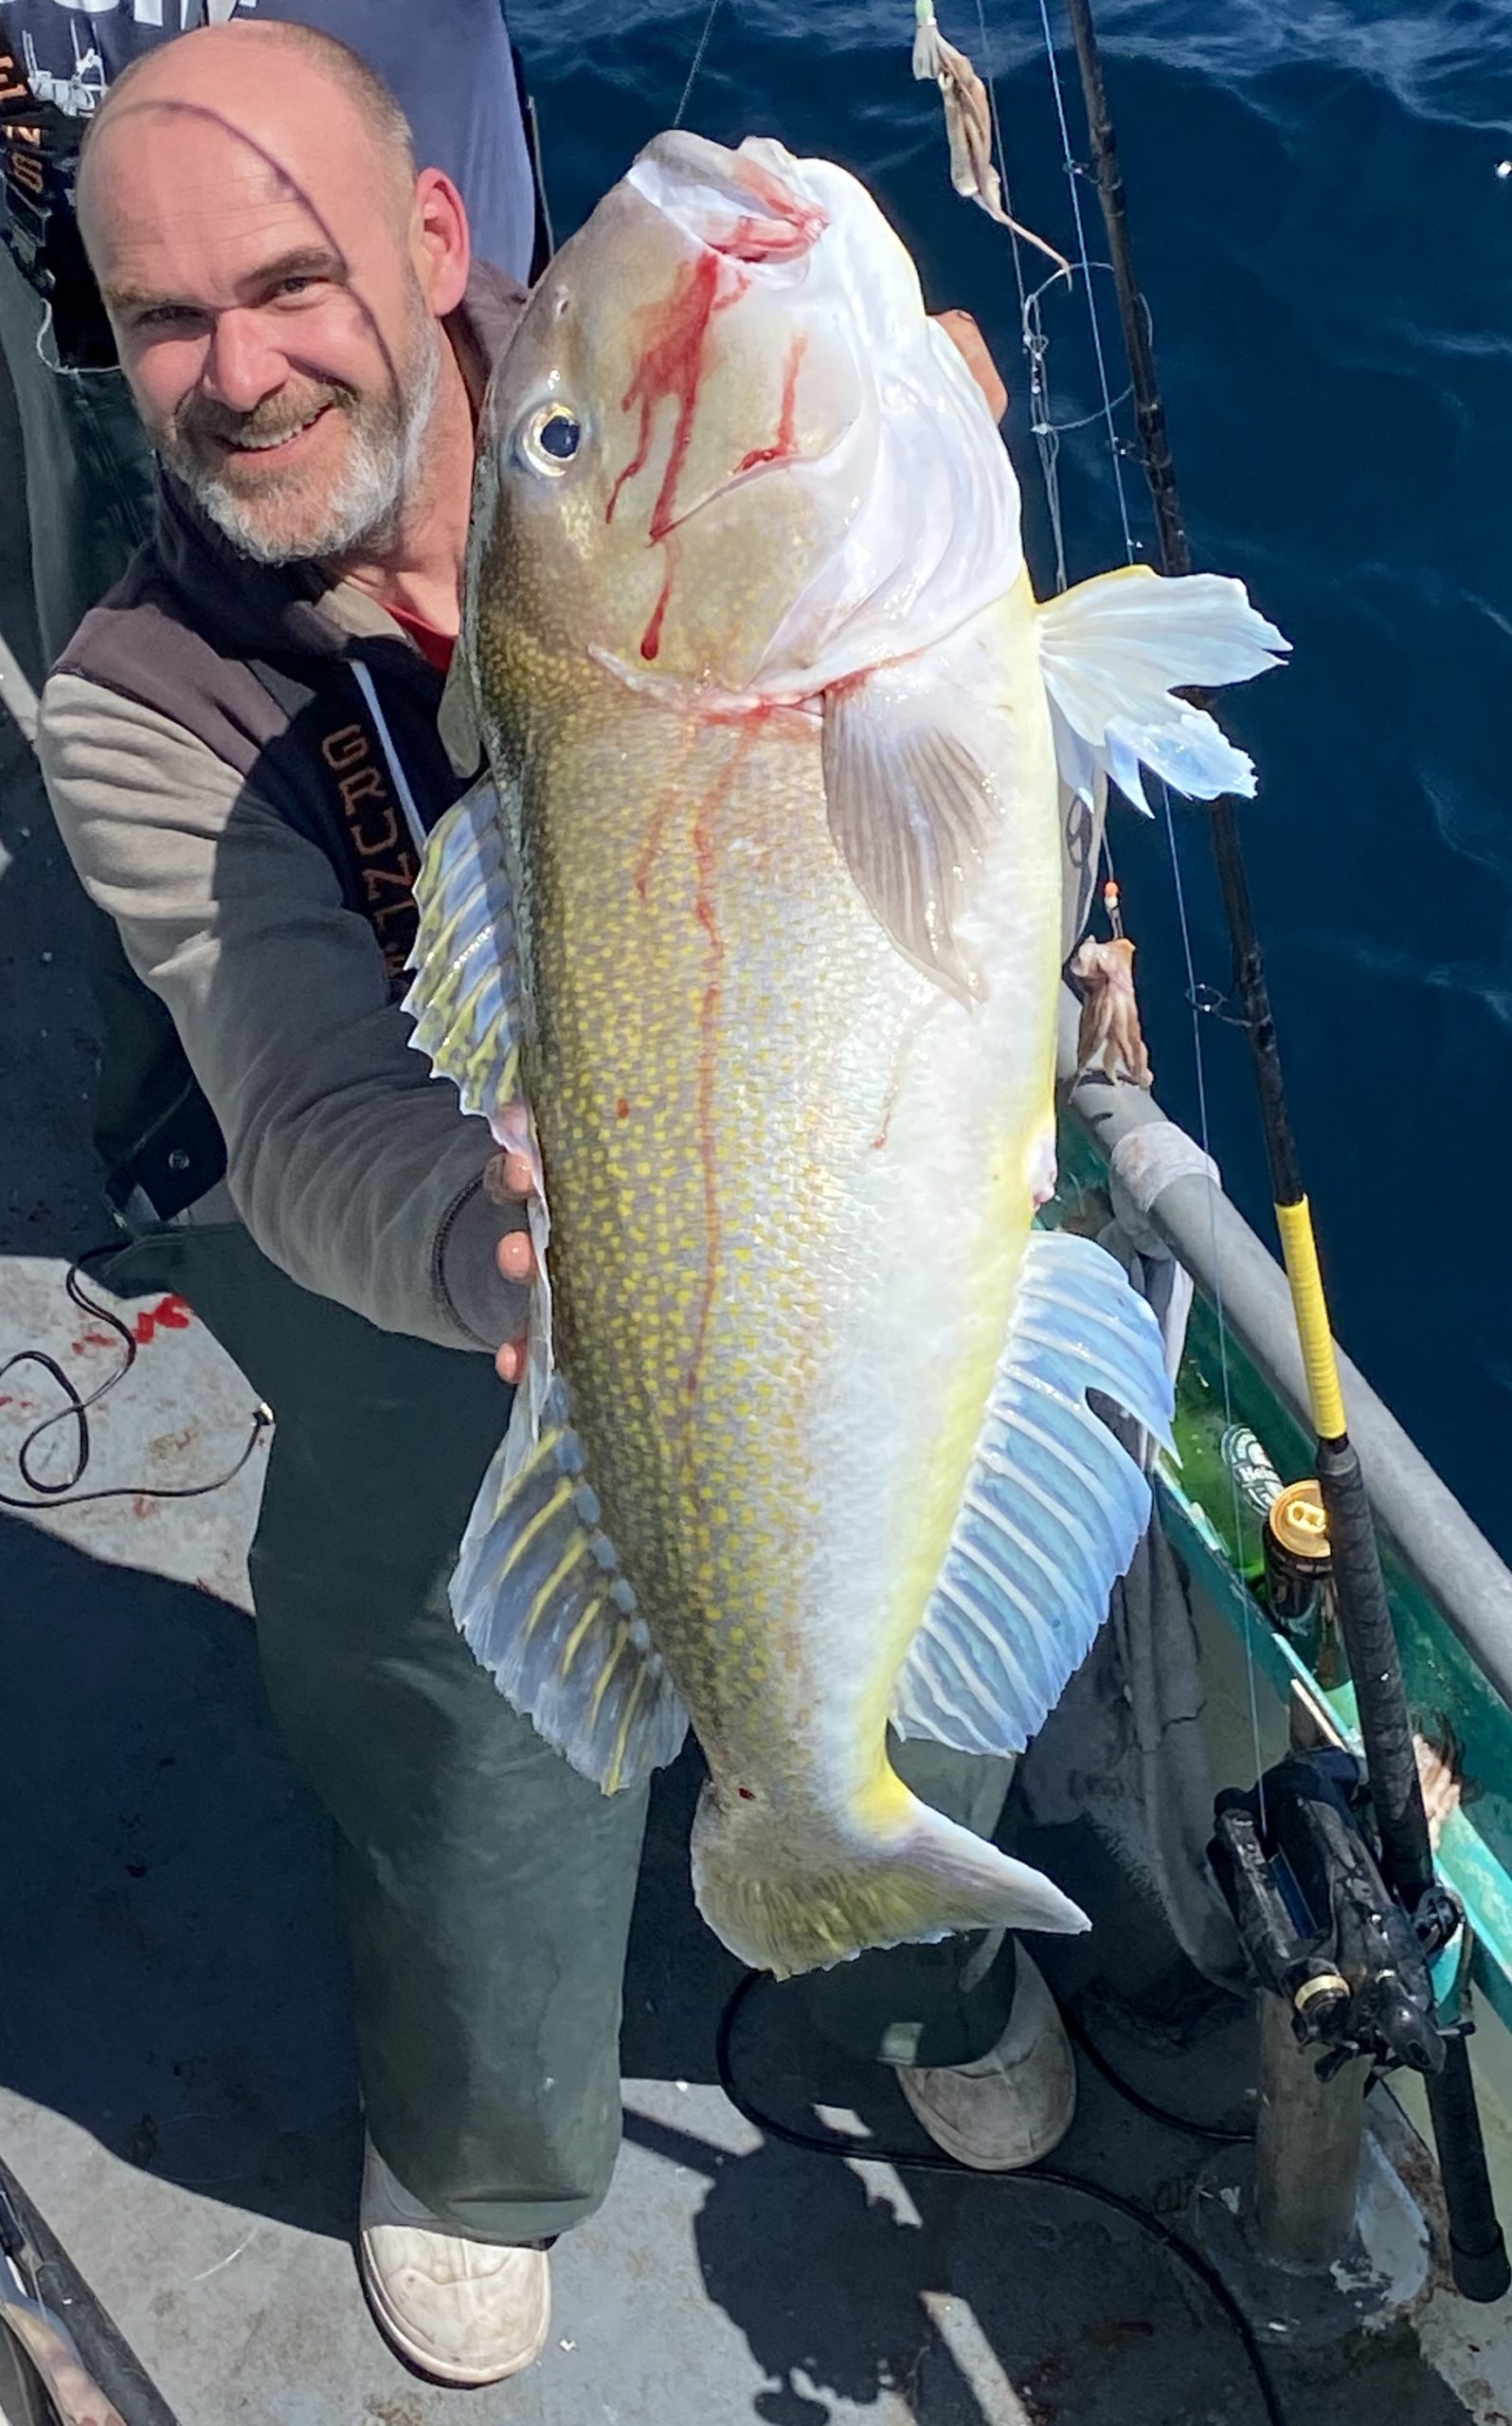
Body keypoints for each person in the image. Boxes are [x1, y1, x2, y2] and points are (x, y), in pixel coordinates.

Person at [37, 24, 1076, 2389]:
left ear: (434, 243)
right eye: (165, 321)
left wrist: (952, 534)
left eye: (289, 281)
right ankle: (487, 2140)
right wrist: (500, 1253)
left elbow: (946, 840)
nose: (240, 371)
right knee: (454, 1701)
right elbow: (294, 1112)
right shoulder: (136, 692)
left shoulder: (649, 367)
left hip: (807, 1175)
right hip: (420, 1243)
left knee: (886, 1564)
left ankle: (922, 1935)